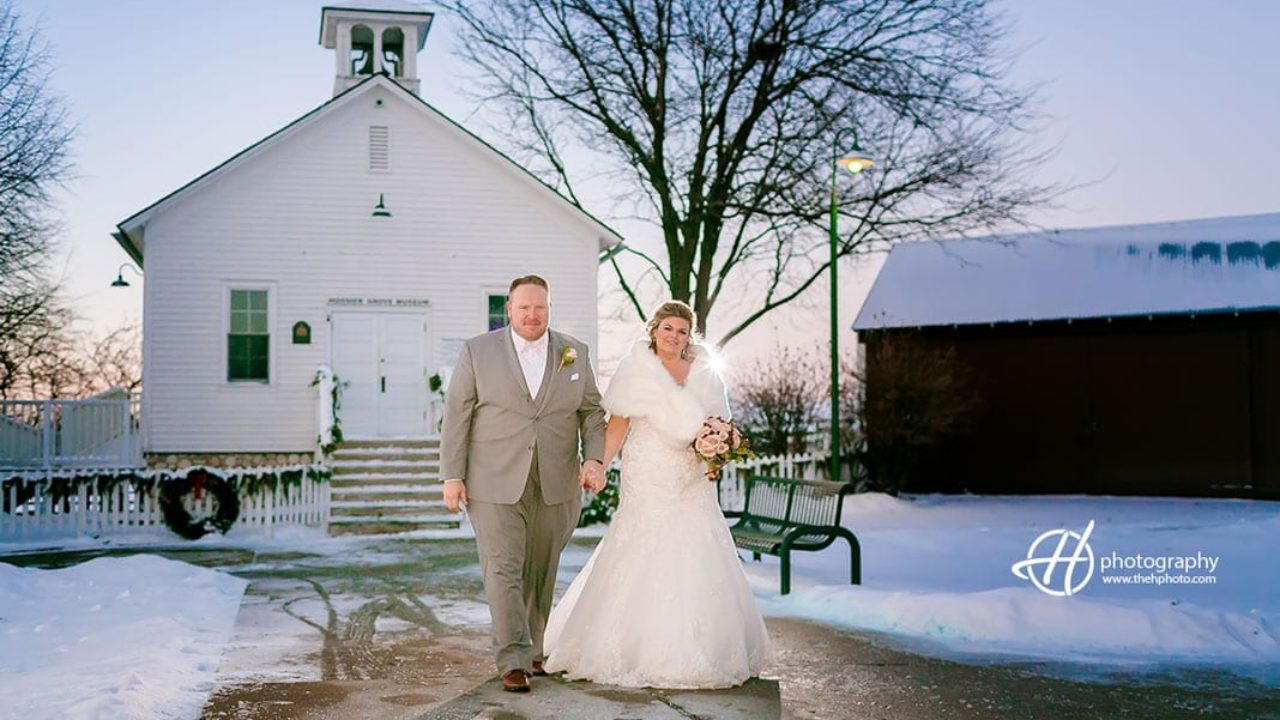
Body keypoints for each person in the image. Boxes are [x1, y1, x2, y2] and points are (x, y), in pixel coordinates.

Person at [542, 300, 774, 688]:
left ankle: (701, 648)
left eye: (682, 331)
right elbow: (617, 425)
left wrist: (717, 453)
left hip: (691, 476)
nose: (674, 336)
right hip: (647, 471)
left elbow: (719, 421)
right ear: (654, 329)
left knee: (697, 550)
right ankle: (629, 647)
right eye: (668, 328)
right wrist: (598, 462)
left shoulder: (704, 372)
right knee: (641, 546)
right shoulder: (637, 369)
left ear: (691, 335)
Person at [440, 274, 607, 693]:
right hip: (492, 480)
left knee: (541, 570)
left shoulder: (574, 352)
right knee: (503, 568)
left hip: (556, 480)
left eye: (541, 307)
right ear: (509, 310)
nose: (533, 314)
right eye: (525, 307)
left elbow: (590, 411)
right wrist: (452, 475)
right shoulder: (478, 352)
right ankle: (513, 658)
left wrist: (595, 459)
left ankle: (535, 648)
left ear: (550, 309)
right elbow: (457, 414)